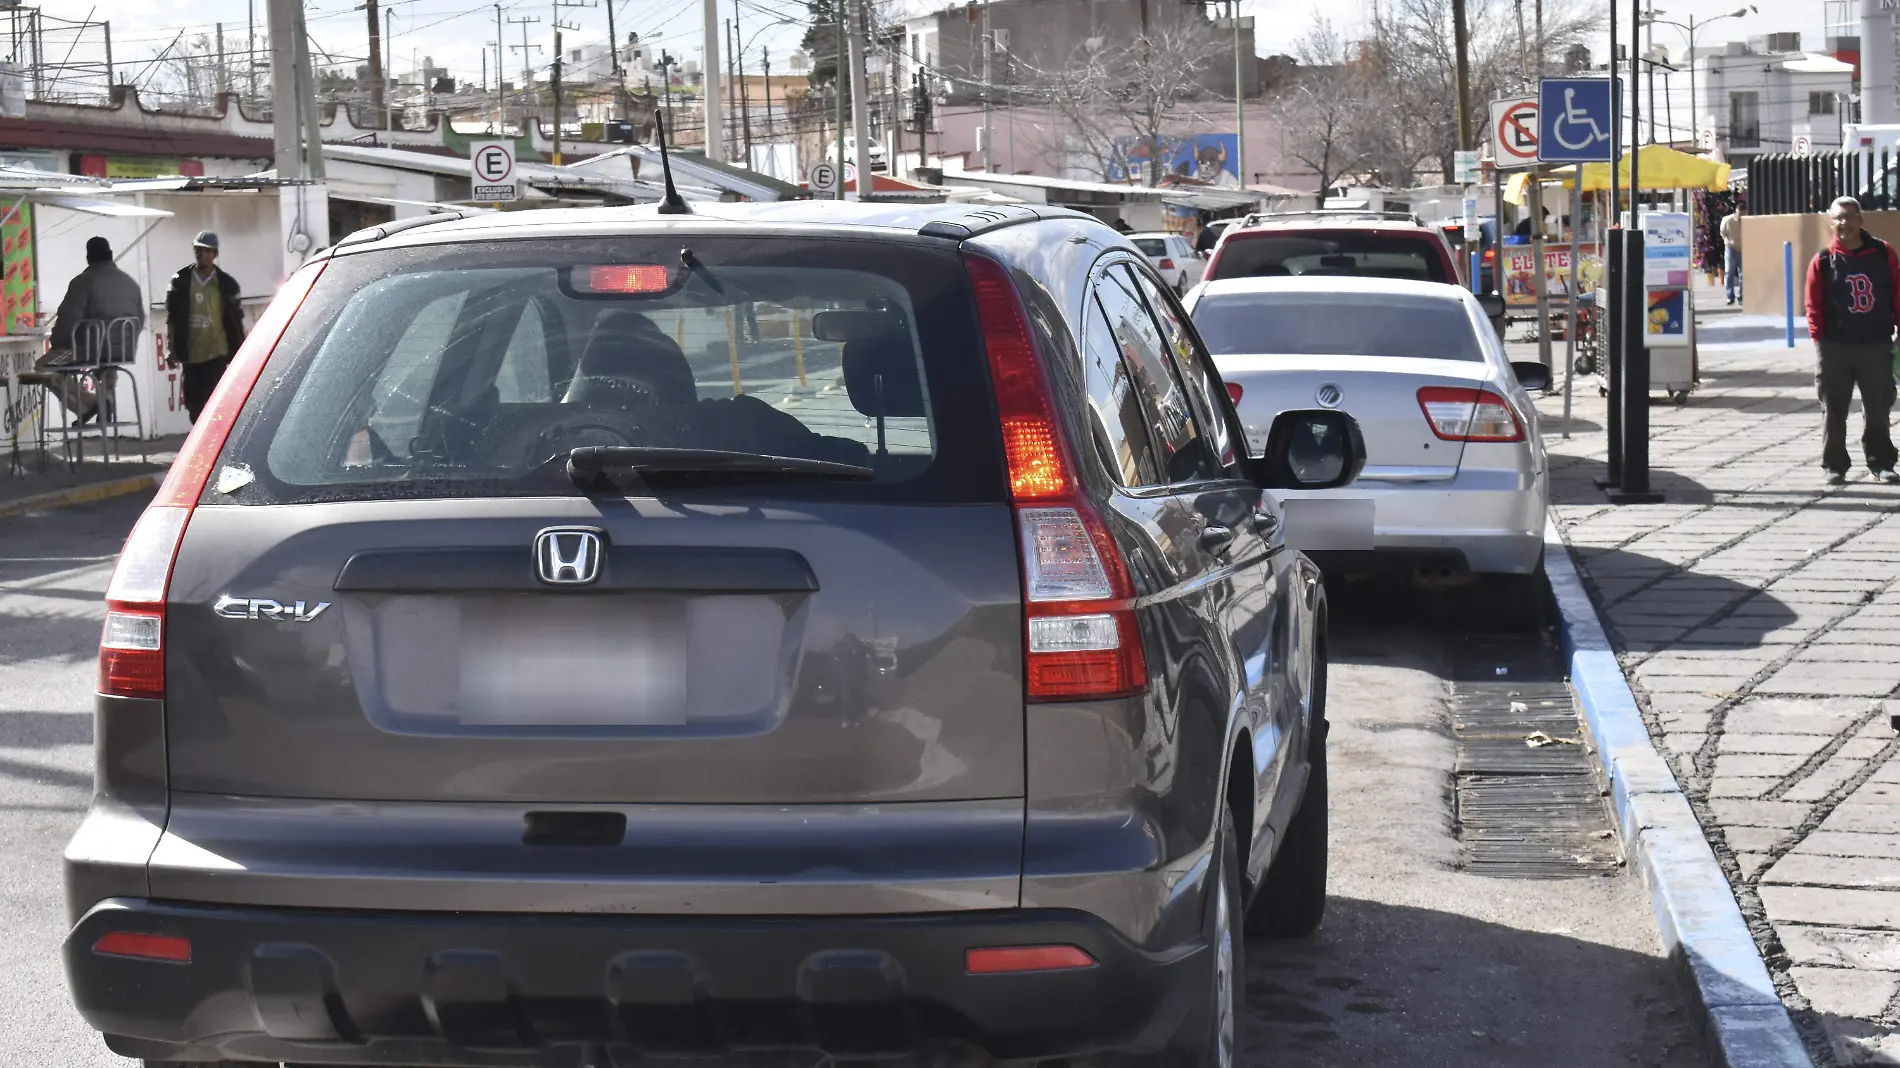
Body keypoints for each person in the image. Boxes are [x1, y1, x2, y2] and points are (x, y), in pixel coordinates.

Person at [1804, 197, 1900, 485]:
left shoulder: (1883, 253)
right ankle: (1834, 465)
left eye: (1849, 216)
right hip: (1835, 347)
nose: (1843, 223)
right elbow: (1813, 304)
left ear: (1861, 220)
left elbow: (1897, 293)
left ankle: (1881, 463)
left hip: (1876, 345)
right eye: (1838, 218)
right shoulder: (1822, 261)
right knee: (1833, 409)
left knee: (1878, 409)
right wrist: (1819, 341)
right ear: (1831, 223)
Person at [33, 237, 145, 424]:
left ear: (88, 258)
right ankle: (106, 398)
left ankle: (89, 404)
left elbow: (68, 320)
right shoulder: (130, 283)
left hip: (88, 350)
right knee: (108, 361)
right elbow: (139, 319)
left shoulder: (82, 282)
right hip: (124, 350)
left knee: (43, 366)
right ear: (110, 255)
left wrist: (58, 345)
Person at [165, 230, 246, 423]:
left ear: (215, 254)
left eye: (208, 251)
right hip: (191, 354)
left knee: (216, 404)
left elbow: (236, 318)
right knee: (194, 406)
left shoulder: (226, 284)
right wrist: (171, 348)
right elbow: (173, 317)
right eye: (199, 251)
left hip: (216, 352)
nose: (203, 255)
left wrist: (238, 350)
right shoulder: (181, 281)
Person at [1721, 202, 1745, 305]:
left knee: (1743, 274)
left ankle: (1741, 296)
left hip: (1743, 249)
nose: (1741, 217)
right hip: (1731, 248)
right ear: (1736, 211)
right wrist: (1727, 240)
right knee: (1729, 273)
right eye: (1739, 214)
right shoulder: (1728, 220)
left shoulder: (1747, 220)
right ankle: (1730, 296)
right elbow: (1722, 232)